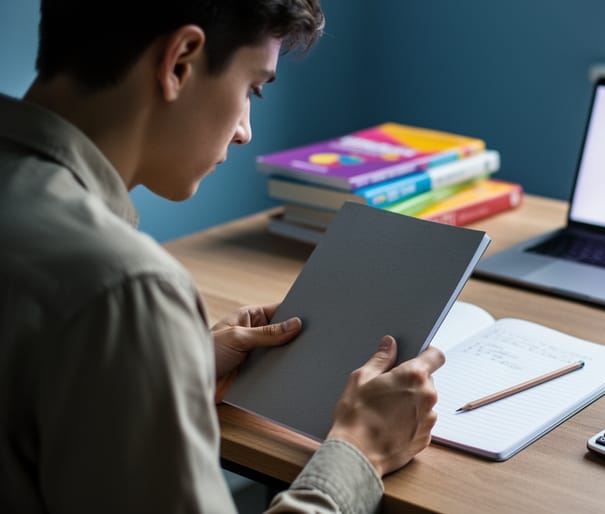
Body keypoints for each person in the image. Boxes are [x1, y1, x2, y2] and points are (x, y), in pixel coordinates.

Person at [0, 1, 445, 512]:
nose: (244, 131)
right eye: (252, 88)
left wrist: (173, 365)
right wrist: (360, 452)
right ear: (181, 61)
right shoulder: (125, 287)